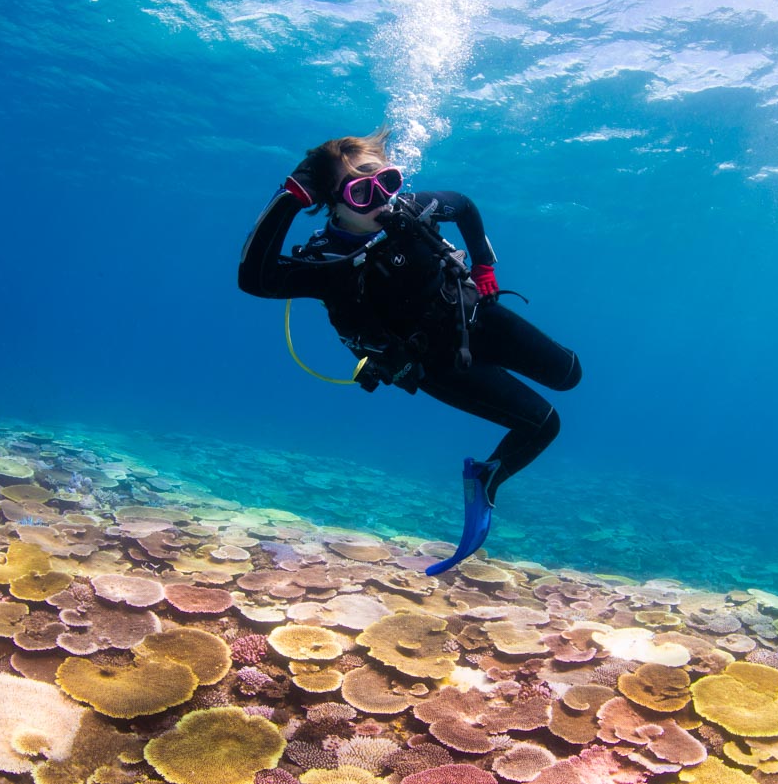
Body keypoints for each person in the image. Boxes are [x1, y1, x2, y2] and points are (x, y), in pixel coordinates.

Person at [239, 128, 581, 574]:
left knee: (569, 373)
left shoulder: (412, 211)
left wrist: (483, 265)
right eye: (363, 191)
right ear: (332, 202)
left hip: (469, 316)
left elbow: (463, 202)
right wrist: (290, 196)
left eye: (389, 182)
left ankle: (492, 378)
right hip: (429, 361)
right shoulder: (328, 266)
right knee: (543, 424)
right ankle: (486, 477)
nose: (384, 200)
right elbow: (254, 279)